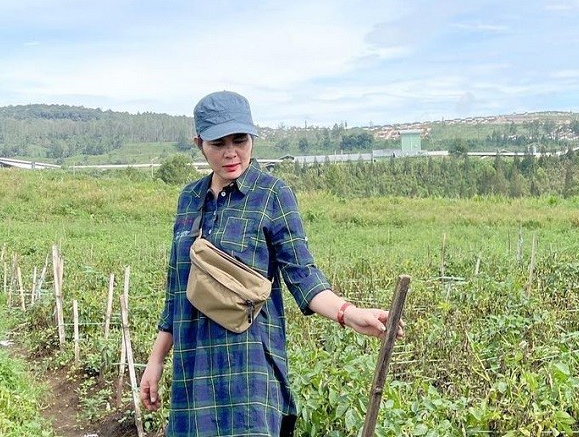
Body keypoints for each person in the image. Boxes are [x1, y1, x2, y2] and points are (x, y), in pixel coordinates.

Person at [140, 90, 404, 437]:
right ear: (199, 143)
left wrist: (348, 313)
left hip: (249, 367)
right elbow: (177, 289)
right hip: (194, 367)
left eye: (240, 140)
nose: (231, 153)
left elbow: (302, 274)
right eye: (218, 143)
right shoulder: (190, 199)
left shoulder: (272, 195)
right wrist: (156, 360)